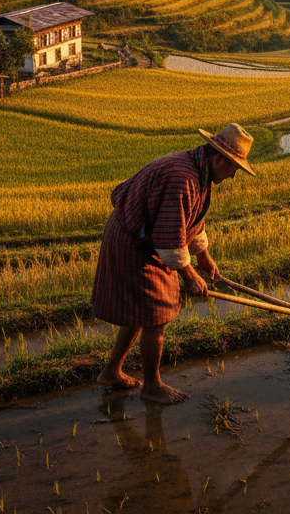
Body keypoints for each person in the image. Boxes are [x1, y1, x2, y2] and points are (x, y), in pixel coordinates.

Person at [92, 123, 255, 403]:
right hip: (133, 241)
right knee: (156, 314)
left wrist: (203, 256)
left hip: (145, 238)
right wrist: (191, 276)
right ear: (219, 159)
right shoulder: (183, 178)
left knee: (142, 312)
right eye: (234, 170)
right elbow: (170, 240)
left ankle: (111, 372)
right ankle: (152, 386)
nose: (231, 177)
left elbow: (190, 220)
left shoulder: (198, 171)